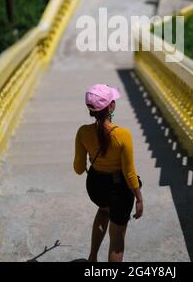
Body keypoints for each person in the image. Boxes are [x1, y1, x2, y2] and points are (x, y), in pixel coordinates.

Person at [73, 84, 143, 262]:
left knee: (104, 211)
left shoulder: (83, 132)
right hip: (119, 191)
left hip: (96, 187)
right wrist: (139, 198)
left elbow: (79, 169)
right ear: (111, 106)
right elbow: (129, 172)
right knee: (117, 240)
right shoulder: (123, 135)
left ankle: (92, 258)